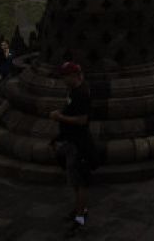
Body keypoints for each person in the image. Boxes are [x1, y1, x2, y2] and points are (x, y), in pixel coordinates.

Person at [49, 61, 95, 234]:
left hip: (79, 144)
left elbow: (83, 120)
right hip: (71, 142)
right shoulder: (75, 90)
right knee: (75, 180)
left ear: (73, 76)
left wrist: (59, 117)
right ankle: (79, 209)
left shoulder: (82, 93)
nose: (62, 79)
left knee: (81, 182)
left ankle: (80, 218)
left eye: (64, 76)